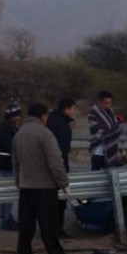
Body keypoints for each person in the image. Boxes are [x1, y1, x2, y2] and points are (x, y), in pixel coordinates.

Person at [12, 103, 70, 254]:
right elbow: (55, 161)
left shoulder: (19, 134)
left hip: (26, 186)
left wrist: (19, 181)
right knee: (48, 226)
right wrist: (63, 182)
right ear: (43, 115)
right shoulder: (45, 134)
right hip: (45, 187)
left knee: (26, 225)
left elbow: (15, 161)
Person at [46, 97, 77, 238]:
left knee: (49, 202)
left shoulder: (49, 119)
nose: (74, 111)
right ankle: (57, 230)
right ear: (67, 109)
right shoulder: (62, 125)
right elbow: (63, 150)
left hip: (46, 165)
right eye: (73, 108)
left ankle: (49, 230)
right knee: (59, 201)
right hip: (58, 165)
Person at [88, 90, 127, 170]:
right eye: (106, 103)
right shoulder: (93, 113)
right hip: (98, 152)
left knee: (110, 175)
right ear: (100, 102)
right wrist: (114, 131)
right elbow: (96, 130)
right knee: (96, 175)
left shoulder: (110, 112)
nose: (109, 105)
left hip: (111, 151)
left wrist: (116, 129)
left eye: (110, 103)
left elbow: (115, 126)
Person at [0, 101, 22, 231]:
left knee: (9, 194)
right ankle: (5, 220)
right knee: (7, 193)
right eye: (17, 114)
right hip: (7, 165)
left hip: (8, 164)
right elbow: (9, 146)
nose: (19, 117)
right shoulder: (6, 128)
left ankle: (7, 217)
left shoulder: (11, 127)